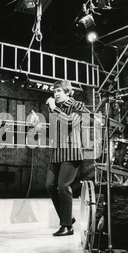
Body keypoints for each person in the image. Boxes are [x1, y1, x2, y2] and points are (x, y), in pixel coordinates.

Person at [33, 80, 90, 237]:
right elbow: (55, 132)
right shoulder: (56, 110)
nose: (55, 94)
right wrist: (40, 128)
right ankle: (67, 218)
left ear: (68, 92)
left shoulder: (78, 106)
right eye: (54, 91)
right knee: (49, 185)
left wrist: (53, 108)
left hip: (71, 152)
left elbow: (69, 122)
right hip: (57, 153)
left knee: (63, 186)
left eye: (59, 90)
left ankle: (67, 226)